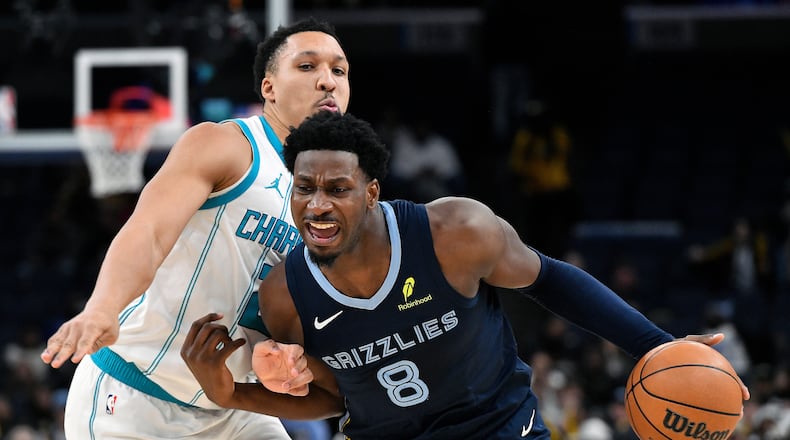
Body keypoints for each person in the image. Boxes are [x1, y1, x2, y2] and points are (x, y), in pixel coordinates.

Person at [181, 111, 750, 439]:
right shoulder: (286, 294)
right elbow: (333, 399)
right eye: (304, 189)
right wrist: (232, 393)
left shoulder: (455, 232)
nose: (317, 205)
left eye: (337, 189)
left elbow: (548, 277)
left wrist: (658, 347)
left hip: (499, 430)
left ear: (373, 192)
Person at [39, 17, 349, 439]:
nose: (328, 81)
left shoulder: (339, 200)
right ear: (269, 87)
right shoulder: (227, 146)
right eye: (308, 66)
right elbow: (149, 232)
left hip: (232, 406)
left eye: (339, 70)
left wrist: (286, 359)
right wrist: (102, 308)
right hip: (133, 400)